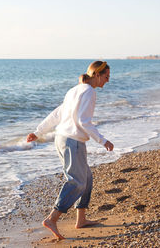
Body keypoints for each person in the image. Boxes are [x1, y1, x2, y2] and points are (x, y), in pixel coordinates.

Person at [26, 61, 114, 239]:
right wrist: (102, 140)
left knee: (87, 178)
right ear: (96, 74)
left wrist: (38, 131)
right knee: (77, 182)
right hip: (72, 142)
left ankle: (81, 219)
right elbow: (83, 121)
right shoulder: (89, 91)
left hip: (63, 139)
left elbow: (57, 113)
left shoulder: (74, 90)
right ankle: (52, 218)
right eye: (106, 76)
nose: (107, 81)